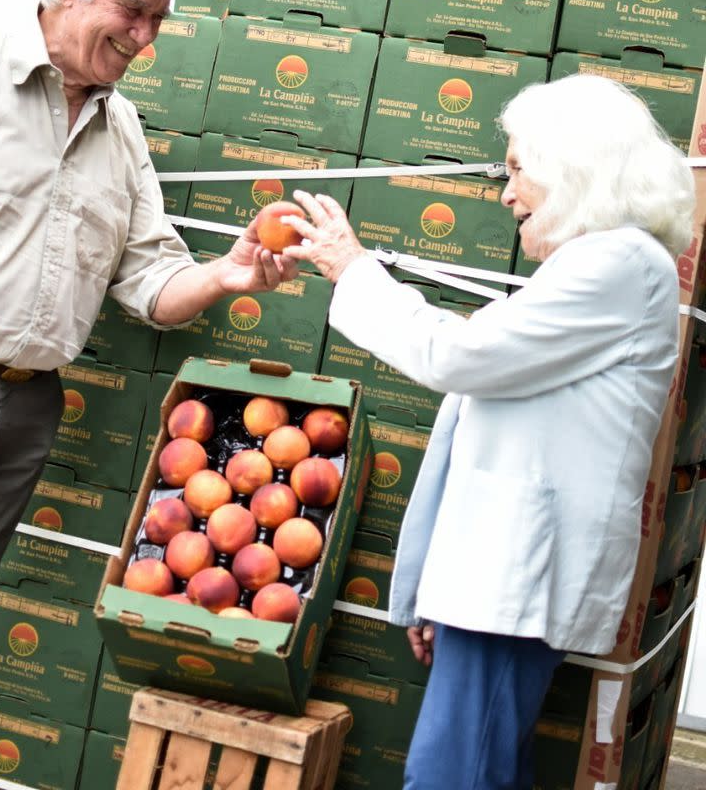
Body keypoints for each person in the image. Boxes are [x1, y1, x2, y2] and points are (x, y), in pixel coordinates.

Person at [281, 74, 695, 790]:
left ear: (575, 167)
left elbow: (459, 358)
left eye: (517, 169)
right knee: (482, 769)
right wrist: (444, 590)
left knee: (454, 777)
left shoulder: (619, 263)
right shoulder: (598, 269)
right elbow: (492, 412)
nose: (506, 193)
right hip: (502, 580)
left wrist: (353, 268)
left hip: (520, 578)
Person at [0, 0, 296, 675]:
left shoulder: (122, 129)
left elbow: (150, 282)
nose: (145, 38)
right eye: (133, 12)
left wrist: (225, 273)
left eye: (158, 20)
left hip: (25, 415)